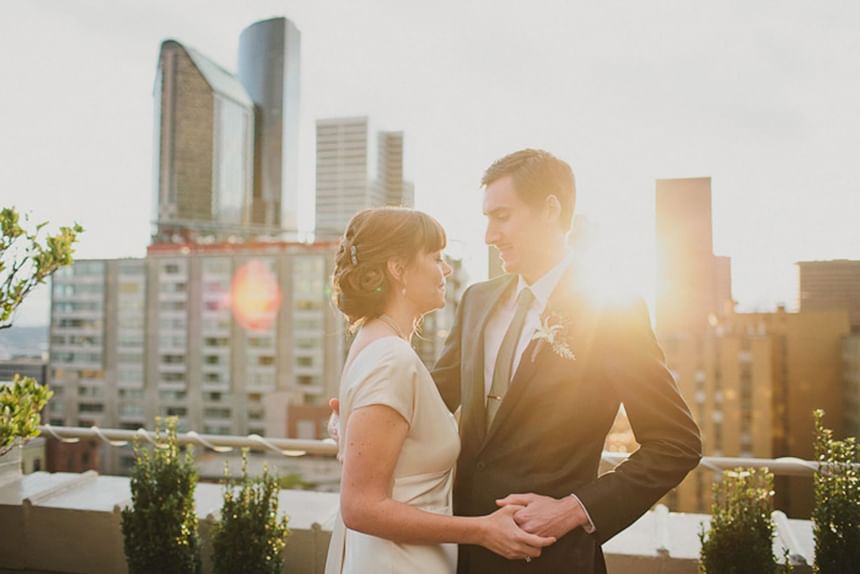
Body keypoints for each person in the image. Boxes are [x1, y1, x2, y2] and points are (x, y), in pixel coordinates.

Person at [432, 149, 703, 573]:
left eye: (502, 216)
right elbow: (433, 398)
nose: (489, 234)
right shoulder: (477, 301)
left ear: (550, 210)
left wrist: (576, 509)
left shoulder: (612, 309)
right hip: (463, 549)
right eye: (487, 218)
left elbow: (676, 443)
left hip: (550, 558)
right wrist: (364, 413)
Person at [324, 207, 556, 574]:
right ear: (398, 269)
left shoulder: (372, 339)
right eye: (436, 258)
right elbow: (361, 507)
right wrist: (482, 530)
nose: (445, 270)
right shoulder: (391, 358)